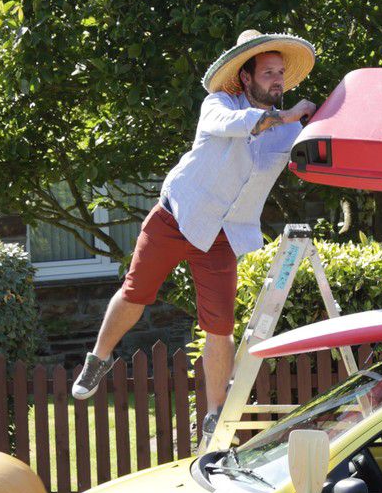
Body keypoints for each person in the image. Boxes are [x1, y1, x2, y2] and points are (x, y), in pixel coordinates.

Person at [71, 29, 318, 440]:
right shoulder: (218, 104)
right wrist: (289, 116)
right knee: (137, 291)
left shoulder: (289, 131)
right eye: (268, 72)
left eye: (281, 73)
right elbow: (238, 125)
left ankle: (215, 412)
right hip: (177, 216)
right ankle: (98, 359)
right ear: (245, 77)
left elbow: (316, 155)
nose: (277, 80)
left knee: (220, 326)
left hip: (223, 234)